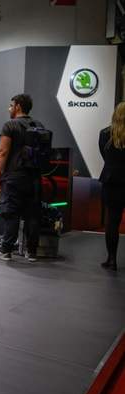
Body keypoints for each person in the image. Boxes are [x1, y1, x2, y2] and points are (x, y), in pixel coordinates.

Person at [0, 94, 43, 262]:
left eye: (10, 105)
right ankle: (31, 252)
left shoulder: (10, 125)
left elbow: (3, 152)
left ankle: (6, 251)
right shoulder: (39, 125)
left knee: (11, 213)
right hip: (34, 177)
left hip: (14, 176)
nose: (9, 108)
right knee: (32, 214)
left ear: (18, 106)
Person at [98, 102, 125, 271]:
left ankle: (112, 259)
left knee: (112, 223)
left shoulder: (104, 134)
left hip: (112, 181)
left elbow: (105, 156)